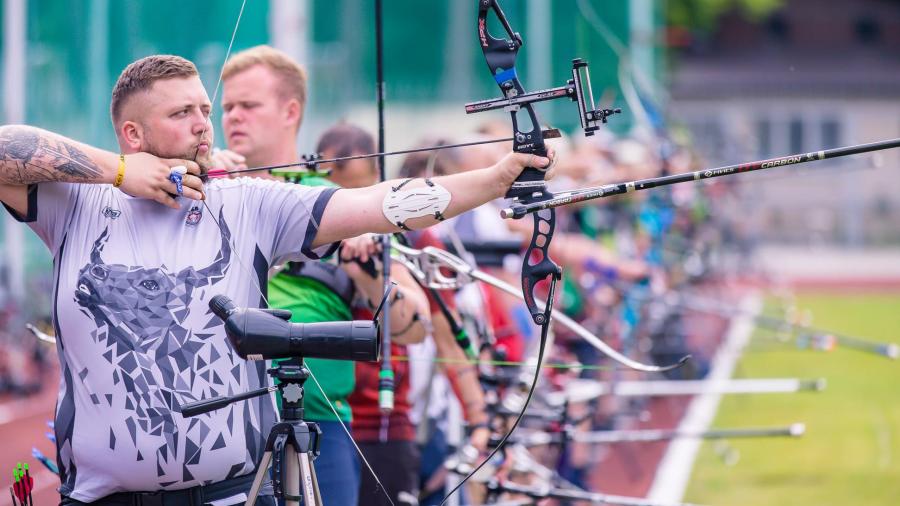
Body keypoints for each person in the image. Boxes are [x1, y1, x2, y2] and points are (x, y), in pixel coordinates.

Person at [0, 54, 552, 505]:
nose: (203, 123)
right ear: (132, 133)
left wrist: (495, 178)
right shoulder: (75, 204)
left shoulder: (249, 202)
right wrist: (119, 171)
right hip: (101, 498)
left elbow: (381, 204)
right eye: (181, 113)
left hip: (230, 495)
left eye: (205, 109)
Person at [215, 45, 431, 506]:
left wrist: (366, 271)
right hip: (220, 419)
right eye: (228, 107)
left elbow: (415, 326)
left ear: (290, 111)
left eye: (248, 105)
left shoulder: (336, 201)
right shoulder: (209, 190)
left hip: (318, 424)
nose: (233, 117)